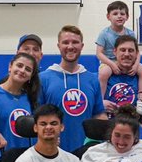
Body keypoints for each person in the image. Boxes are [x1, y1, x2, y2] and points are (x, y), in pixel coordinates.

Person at [39, 25, 103, 153]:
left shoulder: (92, 79)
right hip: (53, 152)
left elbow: (99, 114)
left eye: (75, 42)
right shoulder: (43, 78)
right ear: (58, 46)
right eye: (65, 42)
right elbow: (37, 117)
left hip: (87, 153)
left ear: (82, 46)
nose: (70, 46)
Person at [95, 1, 142, 114]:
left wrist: (136, 65)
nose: (119, 16)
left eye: (122, 14)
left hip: (128, 61)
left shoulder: (131, 33)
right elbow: (99, 53)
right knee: (104, 73)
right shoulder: (104, 33)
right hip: (109, 62)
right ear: (108, 17)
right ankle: (100, 99)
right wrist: (111, 64)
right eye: (115, 13)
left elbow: (137, 52)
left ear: (127, 17)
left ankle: (141, 98)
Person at [101, 34, 142, 118]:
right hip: (108, 123)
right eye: (122, 50)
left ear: (136, 53)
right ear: (115, 52)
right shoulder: (104, 74)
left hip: (133, 124)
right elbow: (94, 106)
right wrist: (100, 104)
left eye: (131, 50)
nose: (127, 54)